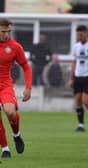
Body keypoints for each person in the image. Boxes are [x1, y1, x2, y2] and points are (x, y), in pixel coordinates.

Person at [0, 19, 32, 158]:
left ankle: (16, 135)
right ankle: (5, 149)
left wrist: (28, 88)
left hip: (5, 85)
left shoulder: (15, 47)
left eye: (8, 31)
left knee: (10, 112)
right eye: (3, 31)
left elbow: (26, 67)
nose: (6, 34)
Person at [67, 25, 88, 132]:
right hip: (78, 77)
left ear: (86, 33)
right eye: (78, 35)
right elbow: (74, 62)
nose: (79, 37)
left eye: (81, 34)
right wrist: (70, 78)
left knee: (86, 101)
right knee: (77, 100)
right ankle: (81, 125)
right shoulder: (76, 47)